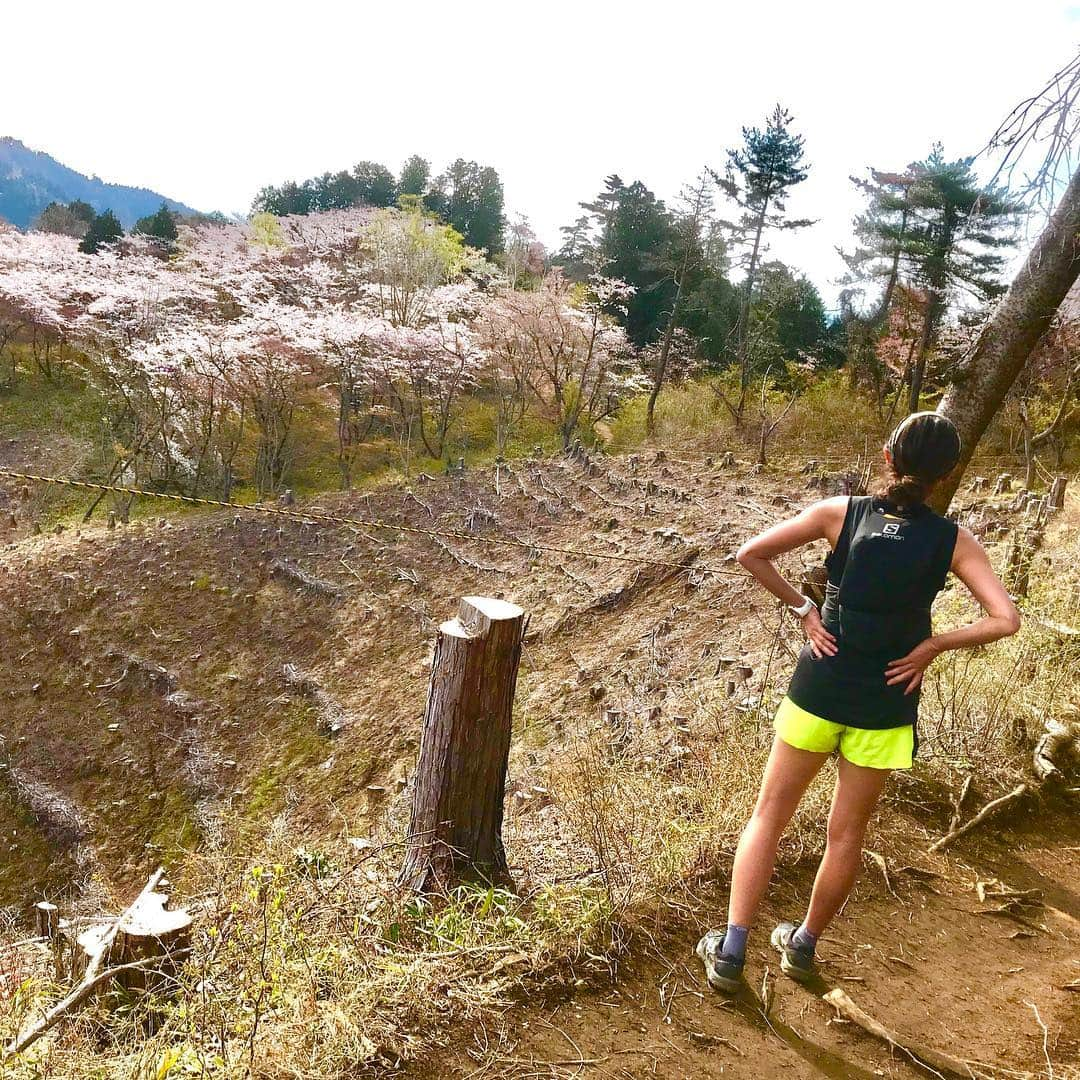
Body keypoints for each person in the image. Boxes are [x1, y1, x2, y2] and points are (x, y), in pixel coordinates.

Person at [697, 412, 1020, 992]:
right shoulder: (953, 541)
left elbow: (751, 554)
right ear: (944, 474)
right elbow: (1005, 620)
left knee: (769, 816)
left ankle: (730, 952)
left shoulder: (840, 513)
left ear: (888, 456)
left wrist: (805, 611)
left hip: (820, 684)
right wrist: (932, 646)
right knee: (846, 835)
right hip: (889, 698)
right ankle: (802, 948)